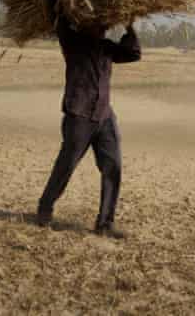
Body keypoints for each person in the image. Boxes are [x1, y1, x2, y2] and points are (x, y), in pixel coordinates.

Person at [36, 12, 141, 238]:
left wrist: (130, 27)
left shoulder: (106, 48)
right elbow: (58, 18)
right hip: (79, 114)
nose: (102, 28)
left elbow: (133, 53)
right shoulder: (73, 42)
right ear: (86, 24)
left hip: (104, 115)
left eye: (104, 24)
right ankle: (45, 208)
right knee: (66, 164)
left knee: (113, 166)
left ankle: (105, 223)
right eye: (98, 24)